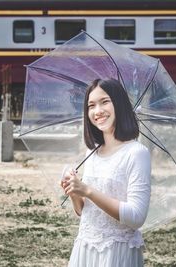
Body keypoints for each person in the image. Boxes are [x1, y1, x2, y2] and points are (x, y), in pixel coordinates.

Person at [60, 78, 151, 267]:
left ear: (119, 104)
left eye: (105, 102)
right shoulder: (92, 152)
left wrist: (87, 190)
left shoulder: (136, 153)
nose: (98, 111)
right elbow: (84, 212)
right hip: (85, 249)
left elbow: (136, 217)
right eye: (91, 105)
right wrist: (74, 192)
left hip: (117, 253)